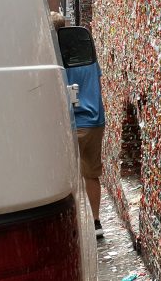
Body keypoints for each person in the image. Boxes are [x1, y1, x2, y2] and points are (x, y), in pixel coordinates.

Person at [50, 12, 106, 238]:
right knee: (92, 174)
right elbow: (96, 78)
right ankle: (96, 223)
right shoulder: (85, 53)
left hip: (68, 125)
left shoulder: (53, 57)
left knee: (65, 179)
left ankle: (69, 226)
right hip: (94, 122)